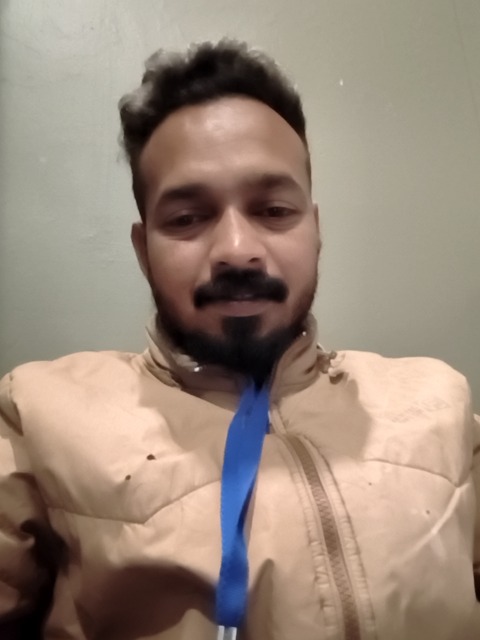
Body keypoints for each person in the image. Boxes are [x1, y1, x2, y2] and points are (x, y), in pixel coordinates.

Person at [0, 39, 478, 640]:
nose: (236, 250)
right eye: (187, 218)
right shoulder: (39, 415)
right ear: (143, 250)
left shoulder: (439, 400)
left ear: (315, 230)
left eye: (273, 210)